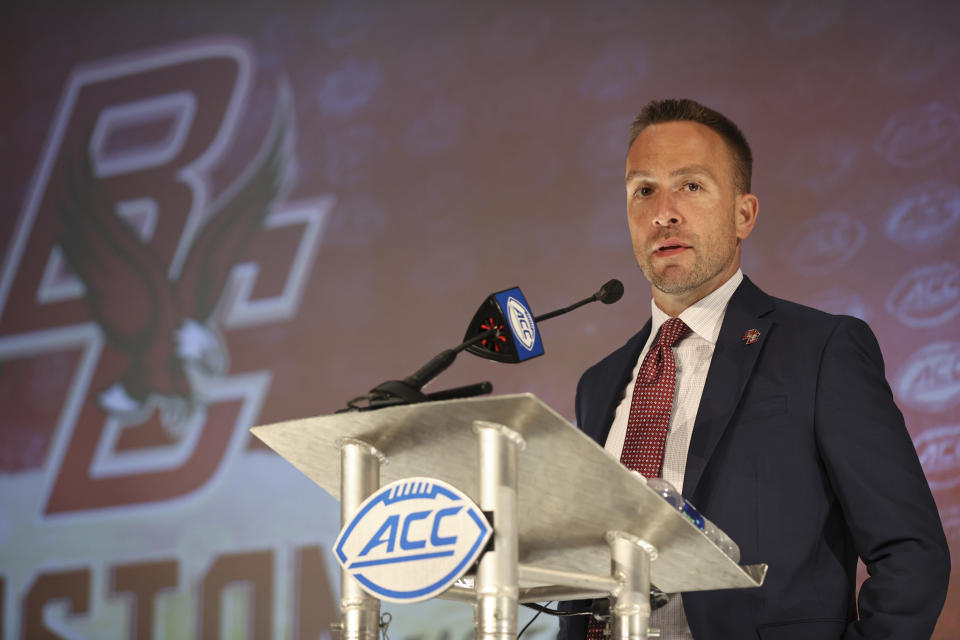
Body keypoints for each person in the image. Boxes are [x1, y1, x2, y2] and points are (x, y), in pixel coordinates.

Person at [558, 99, 950, 640]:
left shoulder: (821, 349)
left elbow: (911, 553)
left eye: (690, 186)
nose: (663, 212)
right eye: (643, 190)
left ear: (744, 214)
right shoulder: (598, 384)